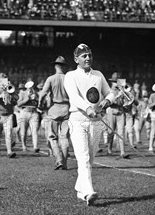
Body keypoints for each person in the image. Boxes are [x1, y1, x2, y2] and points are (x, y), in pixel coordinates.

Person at [64, 44, 116, 205]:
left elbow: (111, 92)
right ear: (76, 59)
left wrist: (107, 100)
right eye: (84, 56)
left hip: (96, 121)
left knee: (90, 158)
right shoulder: (70, 75)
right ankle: (88, 192)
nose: (87, 58)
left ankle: (80, 189)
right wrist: (87, 108)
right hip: (78, 120)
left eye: (89, 55)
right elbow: (73, 97)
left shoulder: (98, 75)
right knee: (83, 157)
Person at [38, 56, 70, 170]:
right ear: (64, 67)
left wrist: (40, 104)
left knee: (53, 137)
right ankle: (65, 163)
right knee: (65, 137)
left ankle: (59, 160)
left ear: (55, 66)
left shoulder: (51, 79)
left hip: (54, 109)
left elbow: (43, 94)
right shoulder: (68, 78)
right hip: (67, 109)